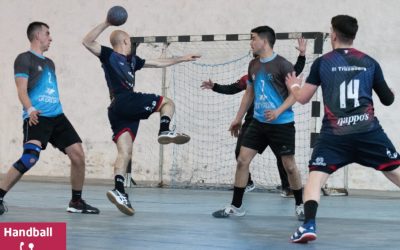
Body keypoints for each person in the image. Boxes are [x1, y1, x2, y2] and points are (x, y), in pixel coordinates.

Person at [286, 15, 400, 243]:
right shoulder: (370, 62)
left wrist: (294, 85)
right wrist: (388, 89)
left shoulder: (323, 62)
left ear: (334, 35)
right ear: (353, 36)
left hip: (334, 136)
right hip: (368, 132)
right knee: (393, 171)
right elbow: (388, 100)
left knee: (315, 180)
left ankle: (308, 225)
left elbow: (303, 98)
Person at [82, 20, 200, 216]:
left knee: (124, 152)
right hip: (124, 100)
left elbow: (157, 62)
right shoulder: (109, 55)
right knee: (167, 103)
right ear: (126, 41)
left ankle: (119, 190)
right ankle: (165, 130)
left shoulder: (133, 61)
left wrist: (182, 58)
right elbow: (87, 42)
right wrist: (107, 23)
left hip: (117, 111)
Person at [0, 22, 100, 215]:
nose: (50, 38)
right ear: (37, 36)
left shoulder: (50, 63)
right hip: (37, 116)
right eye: (47, 34)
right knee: (30, 158)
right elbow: (21, 90)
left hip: (58, 116)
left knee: (78, 155)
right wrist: (30, 109)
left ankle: (76, 202)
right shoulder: (24, 59)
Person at [212, 26, 304, 220]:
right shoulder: (253, 65)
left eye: (253, 38)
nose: (251, 42)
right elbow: (249, 93)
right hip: (259, 123)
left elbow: (296, 94)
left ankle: (300, 204)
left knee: (289, 166)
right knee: (242, 160)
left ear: (264, 41)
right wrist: (237, 118)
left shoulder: (283, 65)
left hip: (282, 124)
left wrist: (278, 111)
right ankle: (236, 206)